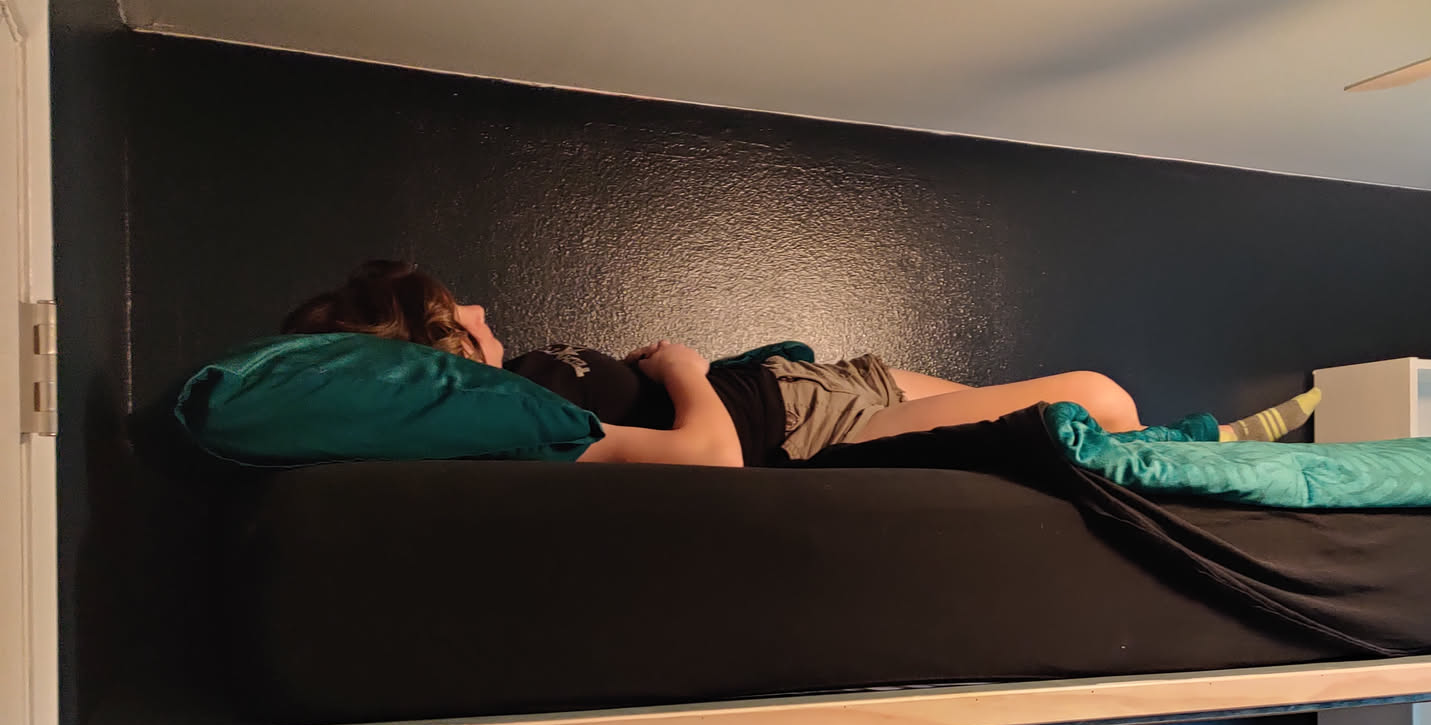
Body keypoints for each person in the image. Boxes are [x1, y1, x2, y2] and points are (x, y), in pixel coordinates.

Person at [281, 260, 1315, 466]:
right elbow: (707, 458)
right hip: (812, 429)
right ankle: (1202, 454)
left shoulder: (521, 392)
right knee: (1094, 397)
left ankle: (1199, 445)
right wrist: (682, 366)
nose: (480, 308)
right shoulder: (517, 423)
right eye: (458, 310)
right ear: (434, 340)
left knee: (1096, 416)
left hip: (813, 388)